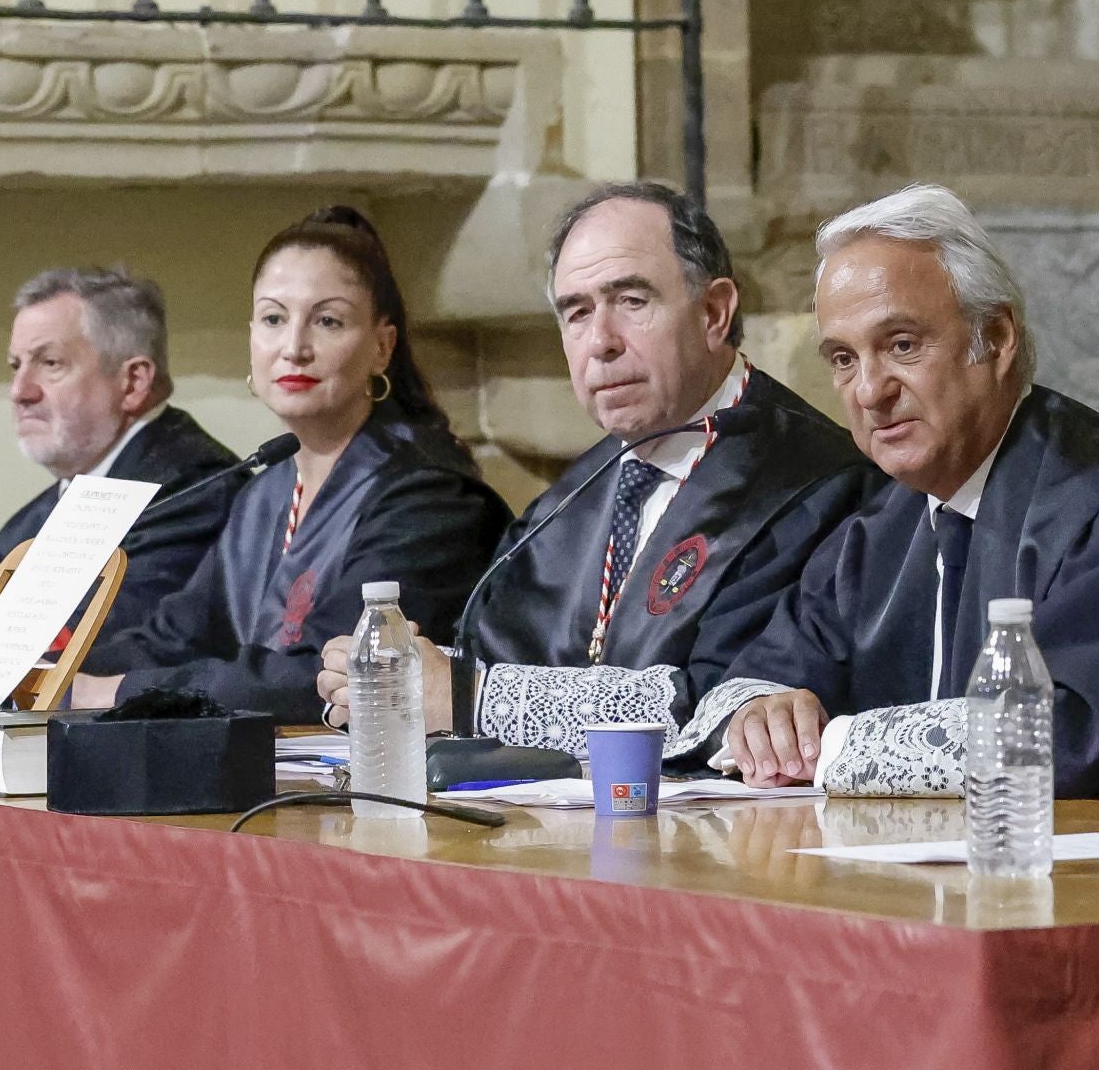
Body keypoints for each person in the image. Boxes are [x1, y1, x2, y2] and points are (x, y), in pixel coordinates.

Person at [683, 183, 1099, 796]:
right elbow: (750, 680)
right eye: (844, 358)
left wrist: (836, 747)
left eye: (901, 345)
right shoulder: (873, 534)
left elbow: (1064, 737)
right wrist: (762, 713)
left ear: (996, 338)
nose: (869, 391)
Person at [314, 182, 873, 763]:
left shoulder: (813, 484)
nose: (600, 343)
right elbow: (475, 652)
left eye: (632, 301)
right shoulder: (569, 496)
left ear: (713, 312)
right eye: (577, 313)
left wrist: (464, 695)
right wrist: (390, 688)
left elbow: (724, 708)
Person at [73, 207, 510, 717]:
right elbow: (171, 637)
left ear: (382, 347)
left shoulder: (431, 500)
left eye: (327, 321)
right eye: (274, 318)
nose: (294, 347)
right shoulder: (263, 492)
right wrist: (47, 674)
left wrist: (115, 692)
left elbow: (321, 677)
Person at [0, 268, 238, 642]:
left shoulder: (193, 487)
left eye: (51, 363)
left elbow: (102, 646)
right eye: (16, 365)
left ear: (134, 382)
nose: (19, 391)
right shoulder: (40, 515)